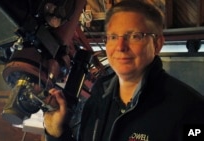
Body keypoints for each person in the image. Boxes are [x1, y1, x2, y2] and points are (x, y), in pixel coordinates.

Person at [43, 0, 204, 141]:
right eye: (113, 37)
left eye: (134, 36)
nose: (120, 47)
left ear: (157, 44)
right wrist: (56, 132)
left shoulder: (190, 109)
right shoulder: (98, 97)